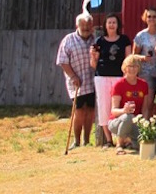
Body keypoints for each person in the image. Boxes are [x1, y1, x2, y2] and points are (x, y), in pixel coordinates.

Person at [90, 13, 132, 147]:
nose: (112, 25)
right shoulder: (99, 41)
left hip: (119, 76)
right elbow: (93, 64)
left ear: (118, 25)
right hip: (102, 76)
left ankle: (121, 137)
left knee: (120, 106)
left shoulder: (124, 40)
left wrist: (127, 77)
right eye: (109, 23)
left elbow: (128, 59)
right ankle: (109, 140)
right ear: (105, 25)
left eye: (114, 22)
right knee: (104, 106)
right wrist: (92, 56)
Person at [56, 13, 96, 149]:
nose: (85, 28)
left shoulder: (95, 39)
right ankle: (77, 140)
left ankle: (87, 140)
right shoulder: (68, 40)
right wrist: (73, 76)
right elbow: (62, 61)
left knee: (90, 110)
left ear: (92, 26)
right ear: (77, 26)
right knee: (79, 111)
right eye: (83, 25)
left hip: (92, 81)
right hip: (76, 82)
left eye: (88, 25)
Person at [108, 55, 151, 155]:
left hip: (136, 121)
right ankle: (119, 145)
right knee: (128, 117)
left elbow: (145, 109)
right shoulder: (119, 85)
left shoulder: (143, 84)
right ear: (124, 68)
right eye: (130, 66)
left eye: (135, 66)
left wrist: (145, 126)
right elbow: (113, 111)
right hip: (117, 121)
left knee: (142, 145)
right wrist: (124, 110)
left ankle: (130, 141)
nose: (132, 69)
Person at [132, 7, 156, 104]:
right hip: (146, 73)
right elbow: (133, 56)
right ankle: (146, 119)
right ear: (145, 18)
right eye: (149, 16)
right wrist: (143, 58)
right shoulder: (140, 36)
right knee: (148, 103)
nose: (152, 19)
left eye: (154, 17)